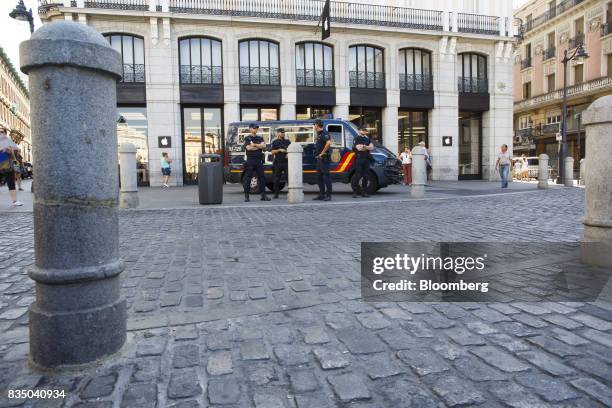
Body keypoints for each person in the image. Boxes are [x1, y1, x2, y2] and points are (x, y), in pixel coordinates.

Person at [242, 123, 271, 202]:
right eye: (254, 128)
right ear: (250, 129)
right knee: (248, 179)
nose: (255, 129)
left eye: (256, 128)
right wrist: (258, 146)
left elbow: (264, 146)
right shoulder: (247, 138)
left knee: (262, 178)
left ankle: (263, 196)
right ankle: (247, 196)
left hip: (259, 161)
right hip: (250, 160)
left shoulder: (260, 137)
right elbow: (248, 148)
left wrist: (254, 145)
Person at [0, 127, 23, 207]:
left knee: (11, 183)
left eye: (2, 132)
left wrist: (9, 150)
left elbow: (13, 156)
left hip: (7, 165)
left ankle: (15, 201)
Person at [352, 126, 374, 198]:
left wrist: (364, 146)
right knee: (357, 175)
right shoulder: (356, 138)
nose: (364, 131)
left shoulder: (367, 138)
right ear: (359, 130)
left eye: (365, 130)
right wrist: (367, 147)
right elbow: (359, 148)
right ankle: (355, 192)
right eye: (363, 130)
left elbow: (372, 147)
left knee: (366, 176)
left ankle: (364, 192)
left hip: (366, 159)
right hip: (359, 158)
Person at [313, 119, 332, 201]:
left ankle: (328, 195)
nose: (313, 126)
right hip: (319, 159)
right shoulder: (319, 134)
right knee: (318, 177)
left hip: (324, 158)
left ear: (317, 125)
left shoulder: (325, 133)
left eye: (314, 125)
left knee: (326, 177)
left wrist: (322, 153)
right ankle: (321, 194)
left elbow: (328, 143)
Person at [270, 128, 291, 199]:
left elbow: (291, 149)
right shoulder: (275, 142)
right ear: (278, 133)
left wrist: (287, 153)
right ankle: (276, 194)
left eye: (283, 132)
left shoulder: (287, 141)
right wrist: (279, 150)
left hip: (286, 162)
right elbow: (272, 152)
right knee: (276, 179)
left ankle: (291, 192)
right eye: (281, 132)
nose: (283, 134)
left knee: (289, 178)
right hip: (278, 162)